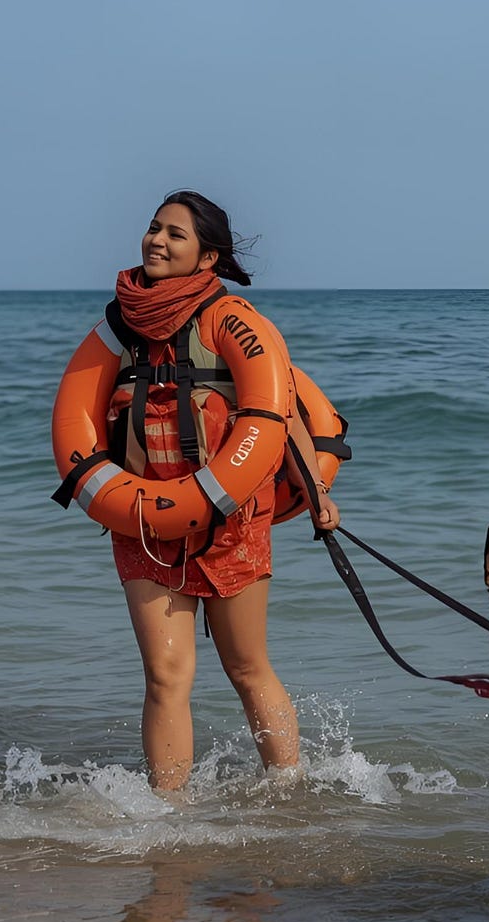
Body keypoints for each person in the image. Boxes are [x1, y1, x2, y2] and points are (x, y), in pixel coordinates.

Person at [105, 190, 339, 791]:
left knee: (246, 666)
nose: (156, 241)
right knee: (164, 675)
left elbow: (281, 415)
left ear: (208, 257)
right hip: (146, 523)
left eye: (174, 234)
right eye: (154, 228)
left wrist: (316, 493)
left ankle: (288, 796)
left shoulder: (232, 322)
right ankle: (168, 813)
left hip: (231, 520)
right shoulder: (119, 328)